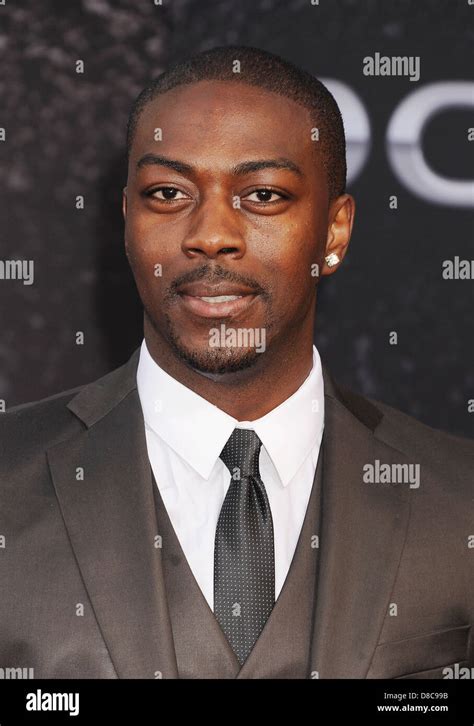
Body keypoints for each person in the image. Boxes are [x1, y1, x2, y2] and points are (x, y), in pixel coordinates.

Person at [0, 45, 472, 680]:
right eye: (168, 192)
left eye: (263, 194)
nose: (211, 234)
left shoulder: (460, 500)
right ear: (127, 218)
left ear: (333, 232)